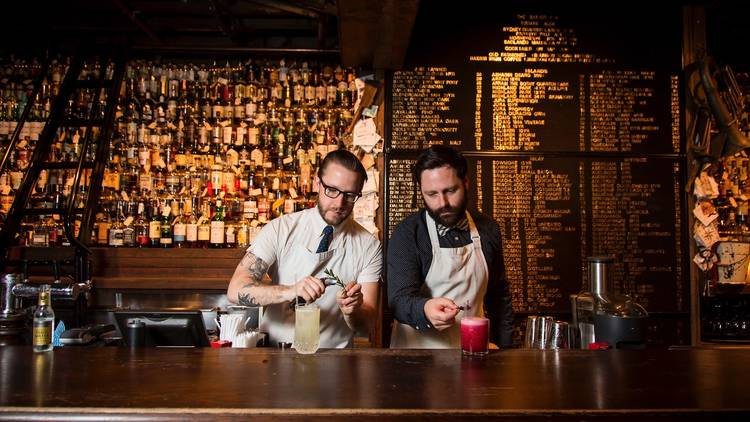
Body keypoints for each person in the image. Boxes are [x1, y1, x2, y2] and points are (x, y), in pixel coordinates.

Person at [227, 149, 381, 348]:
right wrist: (290, 291)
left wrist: (353, 312)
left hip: (334, 362)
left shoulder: (369, 246)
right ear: (317, 183)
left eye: (350, 195)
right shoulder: (281, 229)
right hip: (274, 355)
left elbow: (366, 325)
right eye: (332, 190)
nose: (339, 203)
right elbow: (235, 290)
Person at [388, 145, 513, 348]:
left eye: (450, 190)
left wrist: (506, 352)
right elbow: (398, 300)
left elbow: (498, 297)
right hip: (416, 361)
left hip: (473, 353)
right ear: (421, 191)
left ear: (465, 183)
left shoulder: (488, 229)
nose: (443, 202)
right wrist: (425, 308)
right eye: (432, 194)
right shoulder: (407, 233)